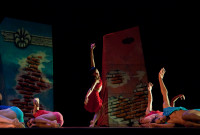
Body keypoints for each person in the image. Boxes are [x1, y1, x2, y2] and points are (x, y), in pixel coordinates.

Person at [84, 43, 103, 127]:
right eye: (96, 72)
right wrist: (87, 96)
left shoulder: (95, 73)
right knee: (100, 109)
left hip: (94, 94)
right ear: (93, 74)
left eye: (97, 71)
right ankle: (93, 122)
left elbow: (92, 61)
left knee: (99, 110)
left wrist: (91, 50)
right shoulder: (96, 79)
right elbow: (91, 88)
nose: (97, 72)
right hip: (94, 95)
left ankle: (93, 122)